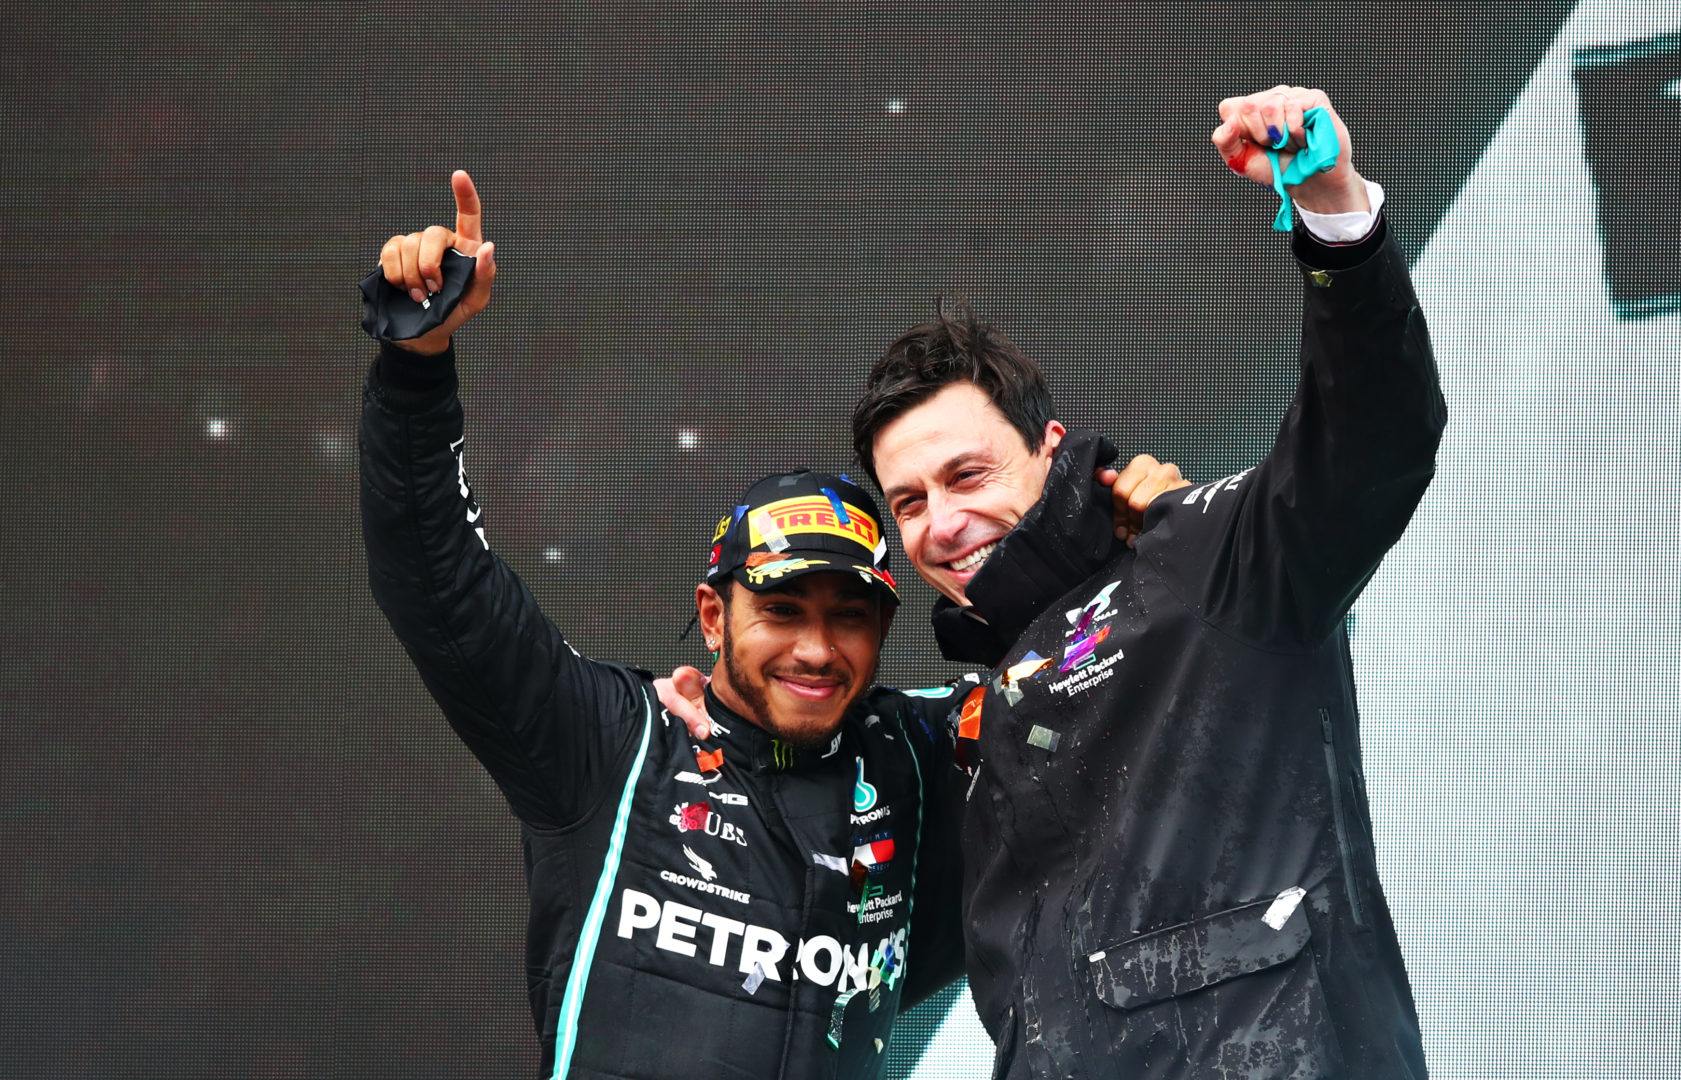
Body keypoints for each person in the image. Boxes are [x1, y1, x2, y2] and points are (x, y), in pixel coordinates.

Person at [672, 84, 1445, 1078]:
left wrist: (1334, 215)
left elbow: (1376, 437)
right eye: (907, 504)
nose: (940, 521)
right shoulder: (974, 723)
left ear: (1047, 448)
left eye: (966, 475)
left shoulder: (1209, 561)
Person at [357, 171, 1187, 1079]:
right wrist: (416, 368)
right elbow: (435, 580)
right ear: (714, 614)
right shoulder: (611, 743)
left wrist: (1140, 550)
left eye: (850, 617)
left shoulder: (921, 758)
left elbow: (1101, 707)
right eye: (782, 610)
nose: (817, 649)